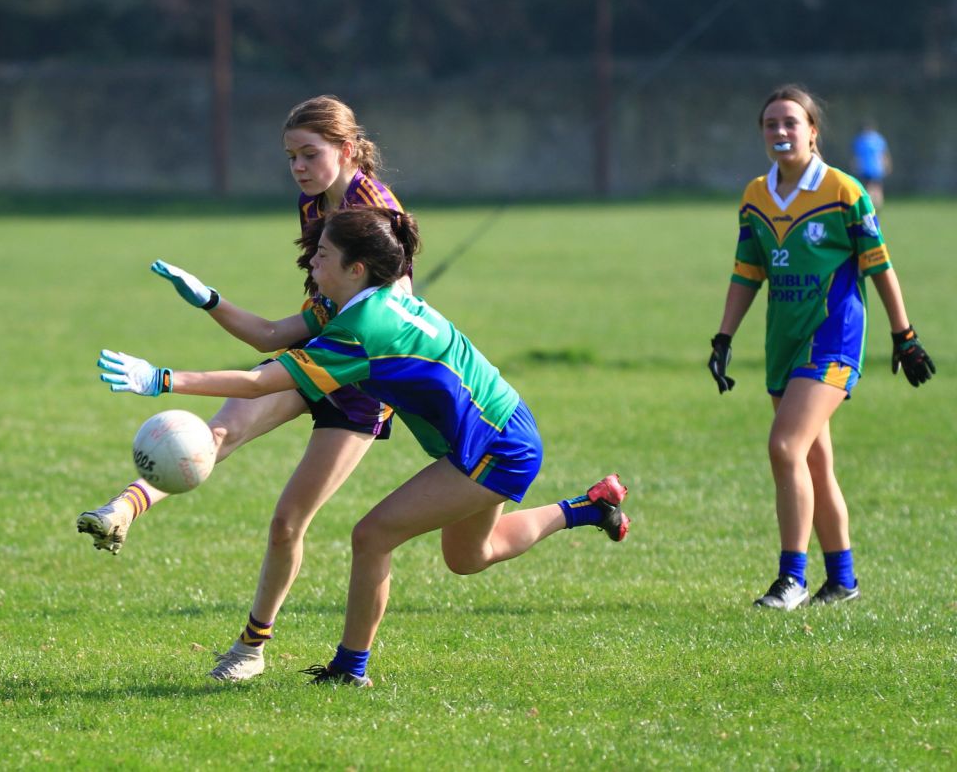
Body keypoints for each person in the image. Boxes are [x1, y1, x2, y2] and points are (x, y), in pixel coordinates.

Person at [98, 207, 631, 686]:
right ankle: (587, 508)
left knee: (372, 536)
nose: (312, 265)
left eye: (323, 255)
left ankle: (349, 669)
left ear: (356, 268)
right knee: (470, 557)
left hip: (498, 444)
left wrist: (162, 379)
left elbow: (262, 383)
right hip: (499, 428)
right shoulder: (361, 301)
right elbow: (268, 336)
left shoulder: (363, 327)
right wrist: (210, 300)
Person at [77, 96, 407, 681]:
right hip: (314, 349)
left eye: (310, 154)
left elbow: (395, 311)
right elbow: (298, 321)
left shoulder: (374, 211)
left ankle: (252, 647)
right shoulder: (315, 203)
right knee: (219, 432)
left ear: (347, 150)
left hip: (359, 375)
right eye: (290, 157)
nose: (299, 168)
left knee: (287, 523)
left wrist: (163, 377)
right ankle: (125, 507)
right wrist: (209, 300)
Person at [708, 85, 934, 611]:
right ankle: (843, 581)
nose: (780, 132)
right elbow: (748, 273)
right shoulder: (755, 197)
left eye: (791, 122)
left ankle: (792, 579)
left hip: (834, 341)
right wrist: (724, 336)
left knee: (784, 447)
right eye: (770, 124)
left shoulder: (842, 190)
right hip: (783, 343)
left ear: (813, 131)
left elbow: (879, 265)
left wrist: (905, 335)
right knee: (813, 462)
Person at [849, 121, 892, 208]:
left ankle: (870, 206)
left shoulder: (860, 140)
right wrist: (887, 165)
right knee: (877, 188)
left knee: (868, 188)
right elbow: (884, 155)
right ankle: (878, 205)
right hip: (878, 168)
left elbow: (857, 156)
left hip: (866, 168)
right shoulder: (879, 139)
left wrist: (854, 166)